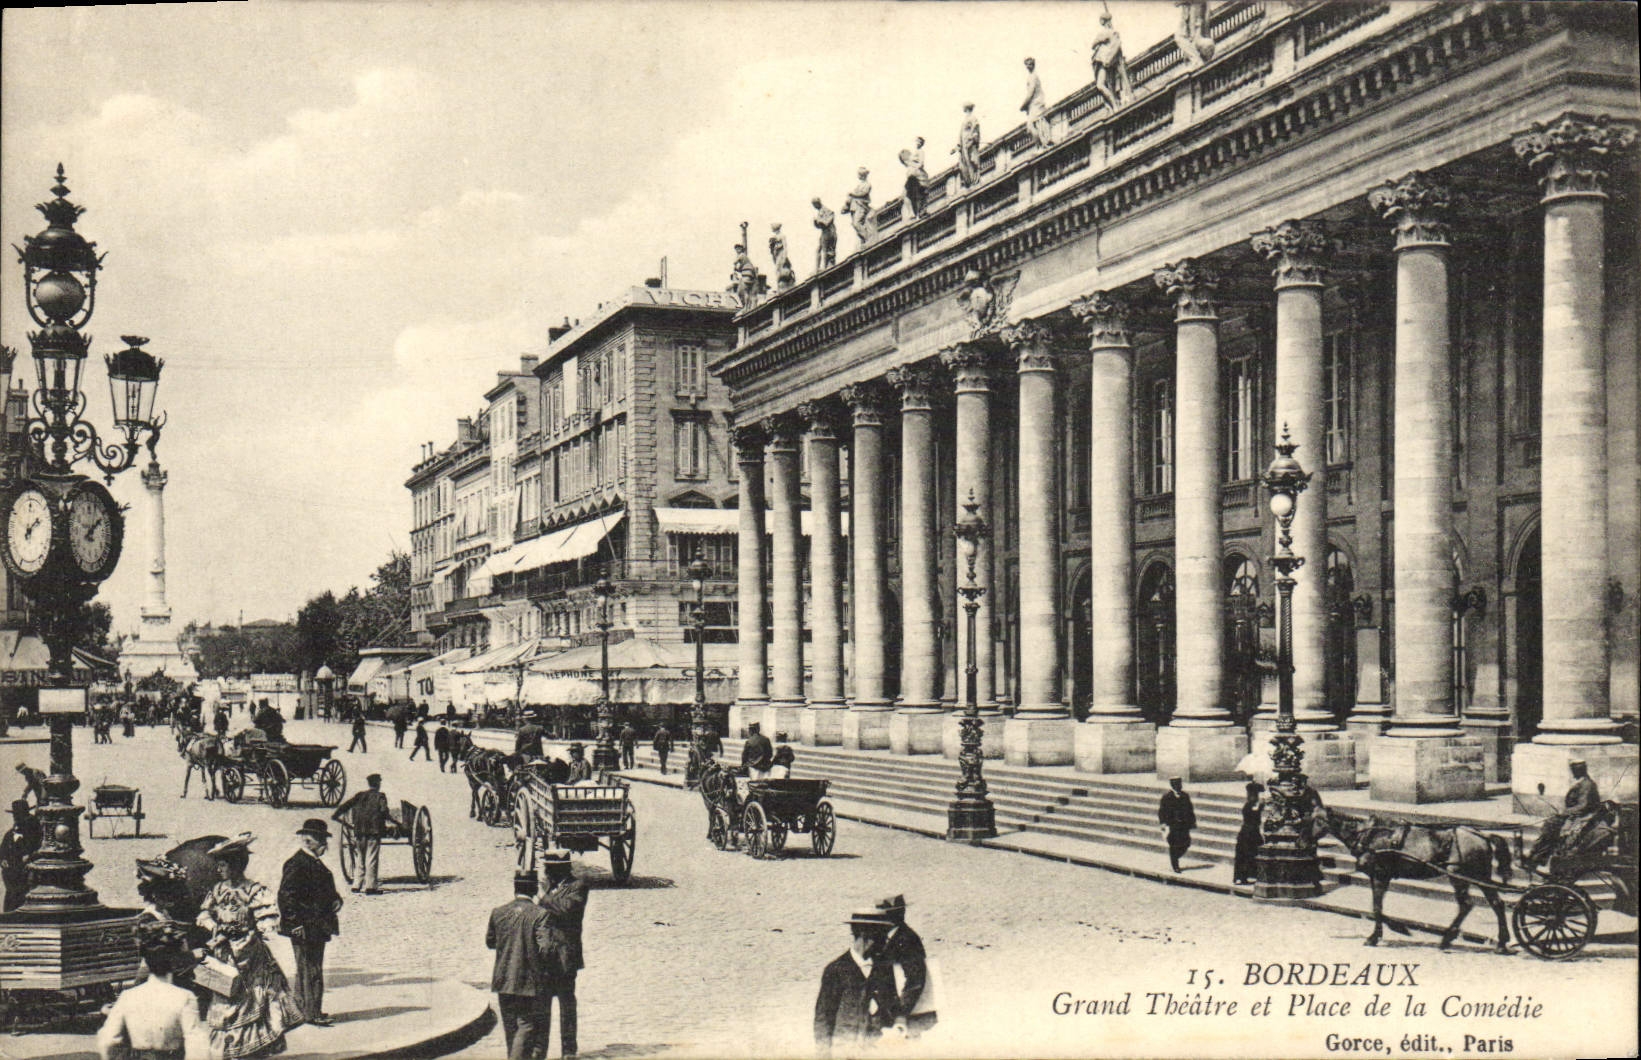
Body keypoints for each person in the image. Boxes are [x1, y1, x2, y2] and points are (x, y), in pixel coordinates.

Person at [196, 834, 303, 1057]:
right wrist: (215, 927)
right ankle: (231, 1050)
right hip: (224, 953)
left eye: (223, 865)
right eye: (219, 865)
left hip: (251, 956)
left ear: (236, 865)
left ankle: (252, 1050)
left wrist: (251, 931)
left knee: (252, 999)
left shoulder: (254, 890)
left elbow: (268, 920)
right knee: (226, 993)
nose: (219, 869)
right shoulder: (217, 890)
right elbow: (204, 914)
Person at [97, 923, 210, 1060]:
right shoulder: (184, 997)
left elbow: (107, 1041)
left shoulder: (128, 996)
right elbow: (197, 1047)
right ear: (173, 961)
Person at [278, 819, 342, 1027]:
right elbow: (286, 896)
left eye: (324, 838)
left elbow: (324, 890)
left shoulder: (313, 862)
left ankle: (303, 1009)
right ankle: (312, 1013)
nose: (325, 844)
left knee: (308, 967)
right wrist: (295, 923)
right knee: (310, 968)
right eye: (320, 839)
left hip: (316, 925)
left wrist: (336, 900)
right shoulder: (297, 863)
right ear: (307, 840)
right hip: (305, 926)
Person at [488, 870, 554, 1060]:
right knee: (527, 1026)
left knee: (512, 1030)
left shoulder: (498, 912)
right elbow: (546, 949)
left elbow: (490, 941)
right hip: (528, 982)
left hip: (503, 981)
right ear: (534, 889)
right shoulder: (540, 914)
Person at [814, 907, 896, 1056]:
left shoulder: (884, 969)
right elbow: (823, 1018)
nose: (885, 943)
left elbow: (891, 1008)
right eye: (881, 937)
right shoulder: (836, 970)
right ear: (865, 934)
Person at [537, 853, 587, 1058]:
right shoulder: (550, 886)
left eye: (550, 867)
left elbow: (567, 909)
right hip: (546, 955)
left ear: (561, 868)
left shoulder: (578, 887)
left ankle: (569, 1049)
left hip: (566, 954)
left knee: (566, 1003)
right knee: (542, 1004)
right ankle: (540, 1049)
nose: (547, 871)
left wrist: (543, 897)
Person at [869, 894, 931, 1036]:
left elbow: (915, 981)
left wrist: (901, 1014)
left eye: (881, 912)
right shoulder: (880, 937)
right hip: (882, 1010)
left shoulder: (908, 939)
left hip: (901, 1015)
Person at [1530, 759, 1605, 868]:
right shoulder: (1581, 782)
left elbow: (1583, 806)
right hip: (1576, 815)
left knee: (1551, 825)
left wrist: (1564, 812)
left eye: (1574, 770)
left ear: (1579, 770)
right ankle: (1537, 856)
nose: (1572, 773)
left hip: (1583, 817)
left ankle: (1539, 857)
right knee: (1550, 824)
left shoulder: (1587, 784)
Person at [332, 774, 389, 894]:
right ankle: (370, 887)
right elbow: (384, 812)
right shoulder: (380, 796)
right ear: (378, 784)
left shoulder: (360, 795)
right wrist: (393, 822)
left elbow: (345, 805)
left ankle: (356, 885)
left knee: (360, 857)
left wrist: (336, 815)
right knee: (371, 857)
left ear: (369, 784)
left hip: (358, 831)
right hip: (373, 831)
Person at [2, 799, 41, 912]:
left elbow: (39, 847)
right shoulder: (11, 832)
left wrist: (30, 856)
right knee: (12, 896)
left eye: (18, 815)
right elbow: (3, 849)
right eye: (15, 815)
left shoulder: (34, 829)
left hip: (26, 872)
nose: (16, 817)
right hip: (12, 872)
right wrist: (3, 859)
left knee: (23, 895)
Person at [1090, 10, 1132, 111]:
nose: (1103, 23)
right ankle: (1114, 104)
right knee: (1100, 85)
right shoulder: (1106, 33)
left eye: (1103, 21)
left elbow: (1116, 46)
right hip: (1101, 63)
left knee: (1103, 85)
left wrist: (1108, 59)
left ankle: (1115, 105)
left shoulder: (1111, 33)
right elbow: (1093, 44)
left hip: (1105, 63)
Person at [1158, 777, 1197, 873]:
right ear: (1172, 786)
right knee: (1174, 844)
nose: (1179, 786)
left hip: (1184, 824)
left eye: (1180, 784)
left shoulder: (1185, 796)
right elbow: (1162, 811)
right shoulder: (1167, 797)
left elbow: (1190, 809)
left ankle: (1175, 857)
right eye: (1176, 784)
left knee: (1187, 843)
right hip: (1173, 825)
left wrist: (1192, 822)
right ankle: (1175, 865)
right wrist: (1163, 823)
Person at [1233, 781, 1264, 886]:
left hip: (1253, 832)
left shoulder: (1253, 804)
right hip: (1248, 833)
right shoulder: (1249, 805)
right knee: (1245, 855)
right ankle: (1241, 877)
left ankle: (1248, 876)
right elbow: (1252, 816)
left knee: (1251, 854)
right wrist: (1259, 808)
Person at [1021, 57, 1052, 148]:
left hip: (1036, 104)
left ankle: (1045, 142)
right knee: (1031, 127)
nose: (1028, 66)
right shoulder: (1031, 77)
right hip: (1033, 105)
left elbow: (1030, 93)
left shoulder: (1033, 77)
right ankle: (1041, 144)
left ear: (1033, 65)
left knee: (1035, 124)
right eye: (1026, 64)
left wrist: (1023, 105)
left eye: (1029, 64)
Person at [842, 168, 875, 246]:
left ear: (862, 175)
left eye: (859, 174)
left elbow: (864, 193)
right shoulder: (859, 185)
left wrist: (853, 194)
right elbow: (852, 198)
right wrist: (846, 205)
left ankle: (868, 238)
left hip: (861, 206)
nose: (858, 176)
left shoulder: (867, 184)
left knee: (856, 223)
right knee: (855, 224)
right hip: (854, 207)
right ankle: (864, 240)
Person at [954, 103, 982, 188]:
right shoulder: (964, 121)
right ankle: (968, 180)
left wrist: (972, 138)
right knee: (964, 162)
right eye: (966, 110)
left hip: (970, 141)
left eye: (967, 109)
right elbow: (960, 134)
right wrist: (958, 145)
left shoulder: (973, 118)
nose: (966, 111)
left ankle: (974, 179)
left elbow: (976, 128)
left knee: (972, 160)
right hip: (964, 142)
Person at [900, 137, 928, 216]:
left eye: (919, 142)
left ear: (921, 143)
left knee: (913, 192)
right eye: (917, 141)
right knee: (907, 194)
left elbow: (921, 164)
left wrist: (915, 168)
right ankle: (912, 212)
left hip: (916, 174)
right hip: (913, 174)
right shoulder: (915, 152)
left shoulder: (920, 151)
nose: (917, 143)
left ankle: (916, 212)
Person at [812, 197, 838, 271]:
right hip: (824, 232)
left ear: (818, 203)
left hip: (829, 232)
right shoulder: (820, 211)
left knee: (825, 249)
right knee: (819, 249)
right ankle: (818, 268)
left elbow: (828, 221)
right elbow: (820, 226)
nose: (815, 207)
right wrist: (816, 223)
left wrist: (820, 221)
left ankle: (825, 267)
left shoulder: (826, 210)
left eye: (815, 205)